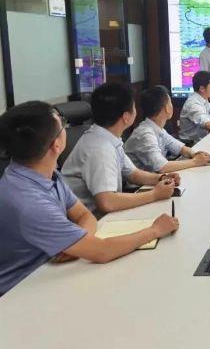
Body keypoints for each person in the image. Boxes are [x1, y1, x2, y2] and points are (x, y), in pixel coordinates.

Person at [0, 101, 179, 295]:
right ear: (56, 145)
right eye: (62, 125)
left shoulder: (45, 174)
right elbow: (102, 251)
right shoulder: (30, 202)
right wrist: (155, 230)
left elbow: (84, 215)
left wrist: (77, 241)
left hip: (50, 272)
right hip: (20, 292)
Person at [62, 83, 180, 215]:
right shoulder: (100, 149)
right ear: (126, 117)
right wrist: (154, 194)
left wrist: (161, 178)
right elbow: (107, 202)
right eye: (133, 106)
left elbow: (133, 173)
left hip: (102, 213)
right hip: (93, 219)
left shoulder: (107, 137)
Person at [124, 85, 210, 172]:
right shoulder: (145, 134)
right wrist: (195, 162)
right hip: (143, 181)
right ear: (167, 108)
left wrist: (195, 154)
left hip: (154, 177)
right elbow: (162, 166)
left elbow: (180, 147)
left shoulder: (157, 128)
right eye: (170, 102)